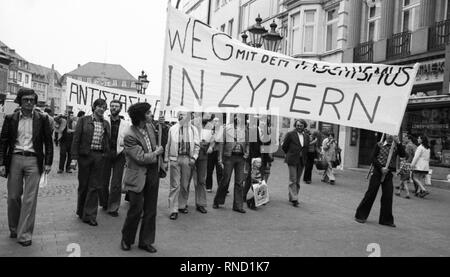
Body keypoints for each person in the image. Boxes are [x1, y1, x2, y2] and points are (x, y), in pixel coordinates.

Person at [0, 88, 53, 247]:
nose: (29, 102)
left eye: (32, 100)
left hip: (33, 161)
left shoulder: (42, 119)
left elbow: (48, 142)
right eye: (26, 100)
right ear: (20, 101)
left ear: (35, 102)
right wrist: (1, 163)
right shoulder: (11, 118)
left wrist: (49, 162)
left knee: (30, 199)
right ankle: (15, 228)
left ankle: (25, 234)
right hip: (15, 158)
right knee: (13, 197)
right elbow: (2, 143)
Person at [120, 102, 164, 253]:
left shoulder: (150, 127)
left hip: (152, 174)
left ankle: (146, 241)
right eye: (148, 113)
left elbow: (153, 144)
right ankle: (126, 239)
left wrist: (161, 164)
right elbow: (140, 157)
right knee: (136, 209)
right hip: (137, 175)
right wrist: (157, 153)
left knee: (151, 210)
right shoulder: (129, 136)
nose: (151, 114)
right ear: (140, 117)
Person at [71, 99, 111, 226]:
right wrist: (74, 158)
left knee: (94, 186)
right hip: (85, 156)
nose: (101, 109)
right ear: (94, 107)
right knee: (83, 185)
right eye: (99, 106)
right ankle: (81, 210)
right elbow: (76, 139)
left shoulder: (106, 124)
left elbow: (107, 141)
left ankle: (90, 215)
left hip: (99, 156)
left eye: (104, 107)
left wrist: (105, 154)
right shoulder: (83, 120)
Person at [355, 134, 405, 228]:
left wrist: (398, 142)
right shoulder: (379, 144)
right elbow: (373, 158)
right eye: (389, 134)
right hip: (378, 171)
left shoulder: (396, 146)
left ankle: (386, 220)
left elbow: (403, 155)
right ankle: (360, 215)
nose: (390, 137)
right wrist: (381, 168)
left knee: (388, 196)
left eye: (392, 135)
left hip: (388, 173)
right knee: (371, 193)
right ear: (385, 134)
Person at [164, 110, 200, 220]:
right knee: (175, 185)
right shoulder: (172, 128)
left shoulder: (193, 130)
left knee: (185, 184)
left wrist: (194, 157)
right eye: (179, 115)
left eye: (183, 115)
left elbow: (197, 145)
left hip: (187, 159)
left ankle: (182, 205)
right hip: (175, 159)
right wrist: (166, 160)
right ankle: (173, 210)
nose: (181, 116)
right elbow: (168, 144)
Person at [213, 114, 249, 213]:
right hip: (229, 157)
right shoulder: (227, 128)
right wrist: (220, 158)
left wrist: (247, 153)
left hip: (241, 158)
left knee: (239, 182)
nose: (239, 118)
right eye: (237, 116)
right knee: (225, 180)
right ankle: (217, 201)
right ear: (235, 118)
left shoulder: (245, 129)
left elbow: (248, 142)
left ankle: (238, 205)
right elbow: (221, 143)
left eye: (241, 117)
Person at [101, 100, 130, 216]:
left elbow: (128, 139)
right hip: (105, 154)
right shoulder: (104, 121)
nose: (114, 108)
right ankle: (104, 202)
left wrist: (125, 151)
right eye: (112, 106)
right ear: (109, 108)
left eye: (116, 106)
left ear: (120, 108)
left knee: (116, 183)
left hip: (119, 154)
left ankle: (113, 207)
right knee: (103, 181)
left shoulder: (125, 124)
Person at [189, 112, 214, 214]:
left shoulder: (211, 126)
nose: (209, 116)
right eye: (207, 114)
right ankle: (182, 203)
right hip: (191, 154)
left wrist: (211, 146)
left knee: (201, 180)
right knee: (186, 179)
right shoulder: (192, 123)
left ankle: (201, 204)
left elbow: (213, 138)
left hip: (203, 155)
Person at [281, 119, 310, 207]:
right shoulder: (290, 134)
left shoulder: (306, 136)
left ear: (304, 126)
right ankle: (295, 198)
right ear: (295, 126)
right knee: (293, 179)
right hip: (292, 159)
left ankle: (292, 196)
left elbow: (306, 148)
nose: (299, 127)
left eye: (301, 126)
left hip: (302, 160)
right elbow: (284, 146)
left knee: (297, 180)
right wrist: (289, 153)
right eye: (297, 125)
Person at [206, 114, 224, 193]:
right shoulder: (209, 130)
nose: (216, 122)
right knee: (209, 169)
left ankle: (221, 187)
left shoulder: (221, 130)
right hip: (211, 152)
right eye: (214, 121)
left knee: (220, 171)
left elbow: (218, 139)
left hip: (219, 152)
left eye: (217, 121)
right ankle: (208, 186)